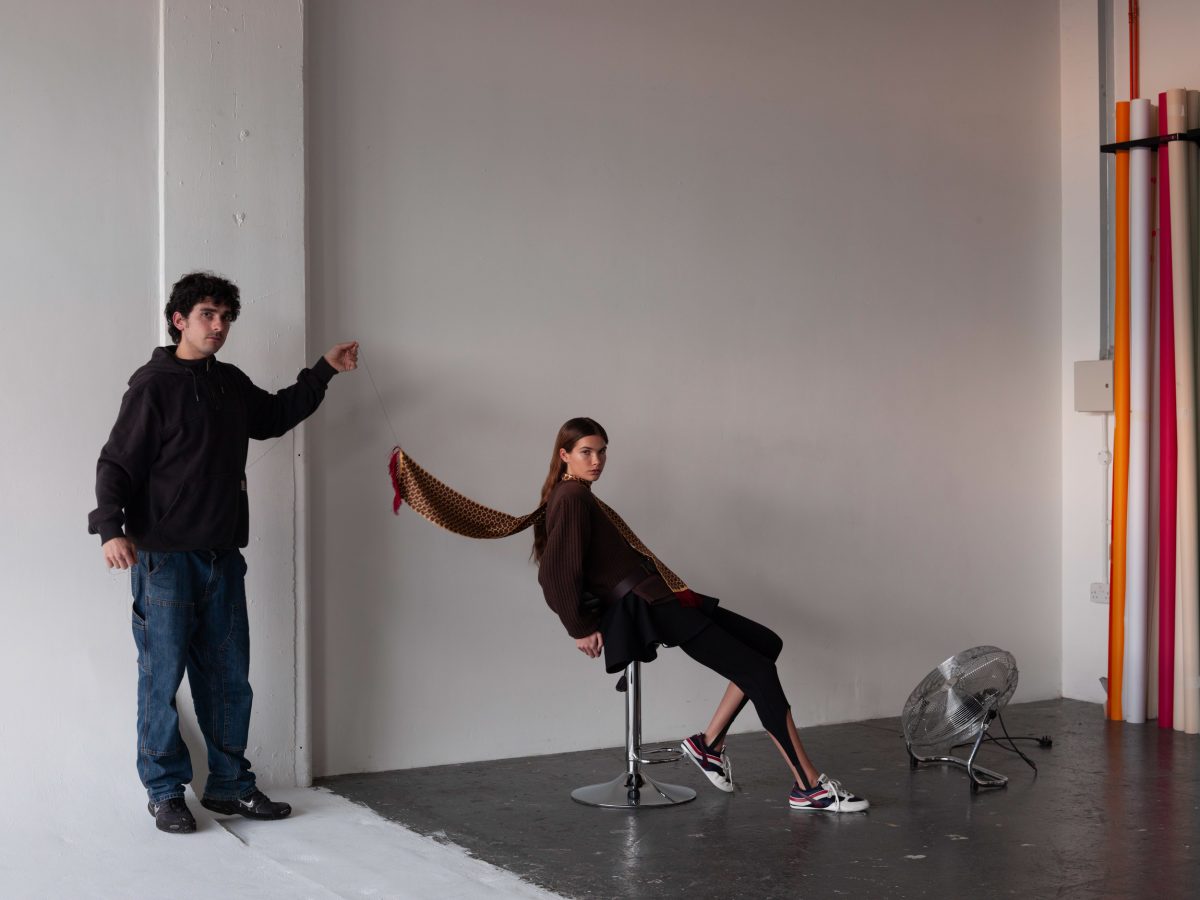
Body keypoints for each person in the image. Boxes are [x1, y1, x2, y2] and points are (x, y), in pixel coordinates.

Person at [88, 271, 359, 834]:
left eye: (226, 317)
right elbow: (116, 462)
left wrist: (324, 370)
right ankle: (165, 792)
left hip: (222, 558)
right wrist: (110, 528)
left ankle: (230, 786)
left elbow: (274, 417)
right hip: (164, 560)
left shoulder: (229, 382)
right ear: (179, 320)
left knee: (229, 681)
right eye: (207, 315)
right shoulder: (153, 385)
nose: (218, 326)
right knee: (161, 681)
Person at [534, 417, 869, 813]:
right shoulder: (572, 497)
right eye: (586, 452)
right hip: (651, 607)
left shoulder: (578, 495)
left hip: (661, 598)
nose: (597, 461)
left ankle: (708, 746)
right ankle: (808, 786)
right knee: (758, 671)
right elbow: (554, 572)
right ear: (565, 455)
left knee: (765, 644)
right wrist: (579, 626)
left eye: (602, 451)